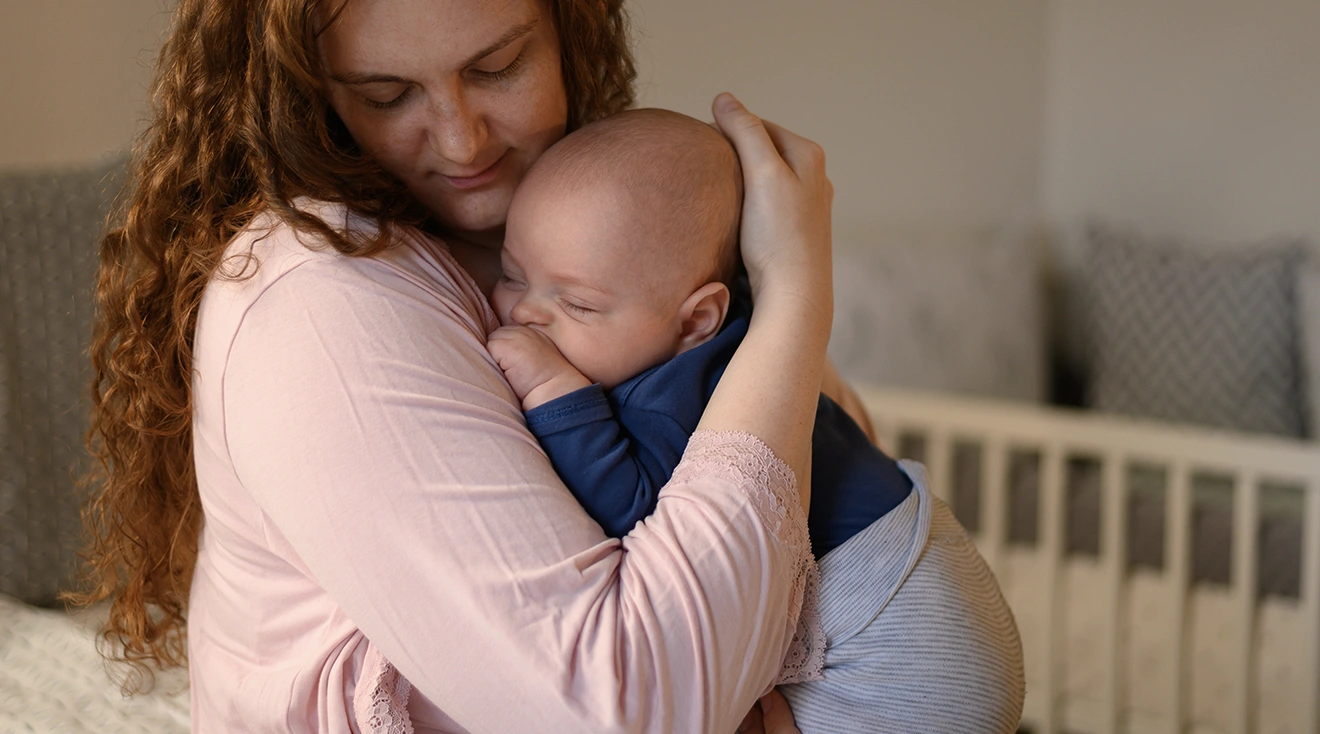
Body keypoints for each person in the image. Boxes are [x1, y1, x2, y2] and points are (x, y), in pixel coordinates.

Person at [72, 0, 838, 731]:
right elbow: (623, 711)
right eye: (388, 94)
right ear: (307, 90)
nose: (462, 140)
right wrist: (796, 291)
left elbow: (845, 494)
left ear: (573, 26)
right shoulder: (319, 295)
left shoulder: (598, 232)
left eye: (498, 67)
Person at [488, 108, 1025, 733]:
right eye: (510, 273)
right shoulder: (743, 334)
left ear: (697, 320)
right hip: (941, 607)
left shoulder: (678, 395)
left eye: (577, 302)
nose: (524, 311)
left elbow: (639, 513)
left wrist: (553, 389)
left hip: (897, 658)